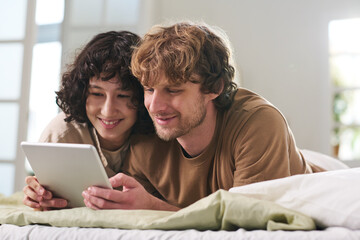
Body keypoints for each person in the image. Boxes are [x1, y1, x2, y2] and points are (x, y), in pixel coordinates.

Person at [82, 21, 324, 211]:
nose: (155, 106)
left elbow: (248, 220)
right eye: (149, 89)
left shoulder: (258, 122)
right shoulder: (146, 135)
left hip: (321, 184)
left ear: (214, 88)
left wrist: (154, 206)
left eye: (173, 90)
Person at [22, 31, 154, 210]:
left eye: (123, 95)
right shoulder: (62, 135)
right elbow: (45, 197)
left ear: (142, 96)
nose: (108, 110)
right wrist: (39, 197)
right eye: (97, 94)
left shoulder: (160, 136)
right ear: (82, 93)